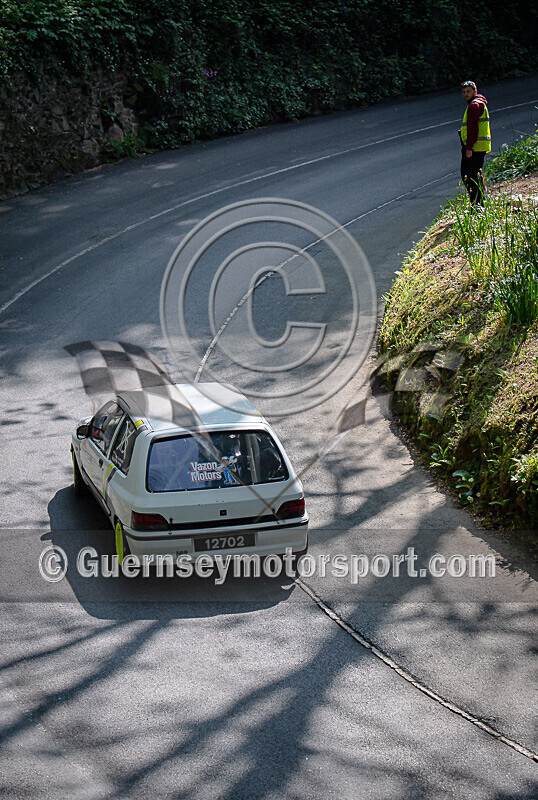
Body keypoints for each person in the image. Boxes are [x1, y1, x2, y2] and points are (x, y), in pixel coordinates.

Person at [459, 81, 491, 205]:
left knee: (469, 176)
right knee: (476, 174)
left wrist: (469, 148)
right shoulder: (480, 103)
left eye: (468, 92)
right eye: (463, 92)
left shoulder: (474, 106)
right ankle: (481, 202)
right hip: (480, 147)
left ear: (474, 92)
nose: (466, 94)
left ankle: (477, 205)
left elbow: (473, 128)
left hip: (474, 148)